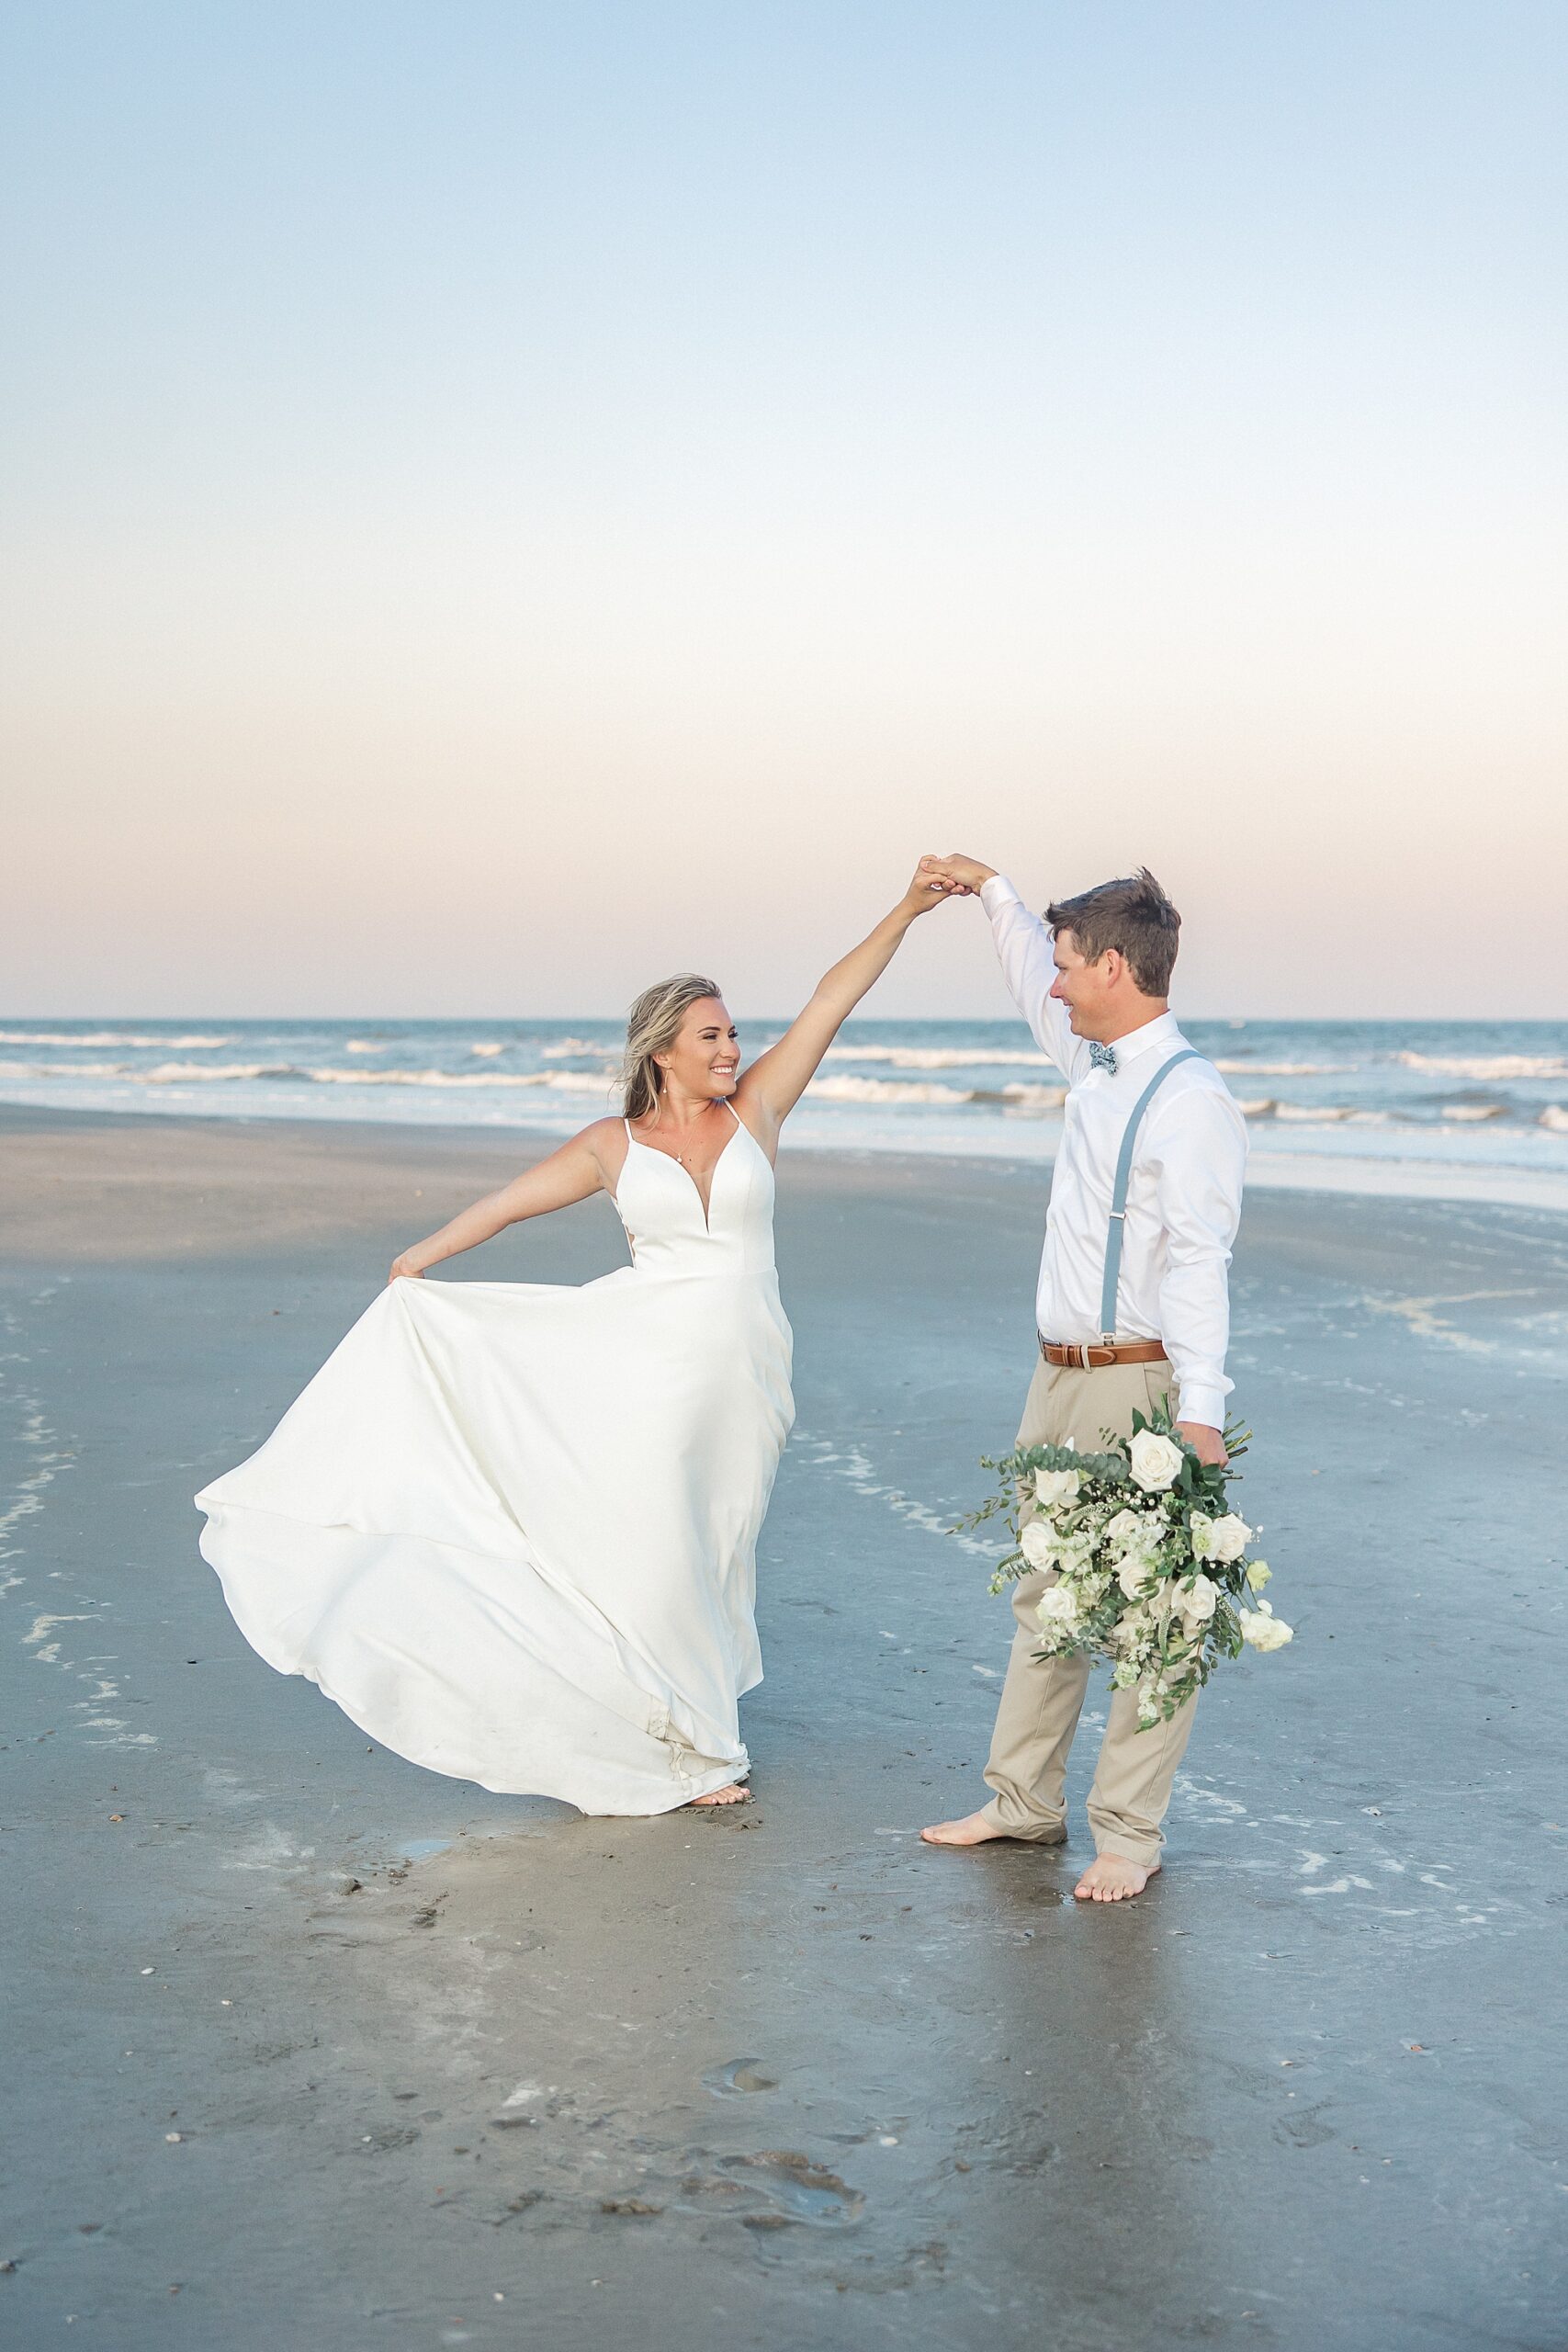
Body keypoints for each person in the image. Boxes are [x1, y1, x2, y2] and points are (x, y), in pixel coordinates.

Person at [196, 867, 954, 1815]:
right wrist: (418, 1259)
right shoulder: (612, 1143)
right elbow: (509, 1203)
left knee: (719, 1542)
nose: (732, 1047)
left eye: (731, 1033)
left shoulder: (756, 1112)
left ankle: (683, 1719)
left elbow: (831, 999)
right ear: (664, 1054)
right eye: (711, 1036)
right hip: (647, 1364)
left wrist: (909, 911)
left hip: (748, 1366)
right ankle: (704, 1748)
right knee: (662, 1545)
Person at [917, 854, 1247, 1900]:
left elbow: (1199, 1259)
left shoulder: (1188, 1099)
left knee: (1150, 1609)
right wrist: (995, 893)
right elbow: (1024, 972)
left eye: (1070, 967)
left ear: (1112, 966)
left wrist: (1202, 1413)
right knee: (1049, 1597)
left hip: (1138, 1384)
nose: (1053, 986)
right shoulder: (1090, 1056)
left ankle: (1129, 1837)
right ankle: (1021, 1803)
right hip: (1056, 1376)